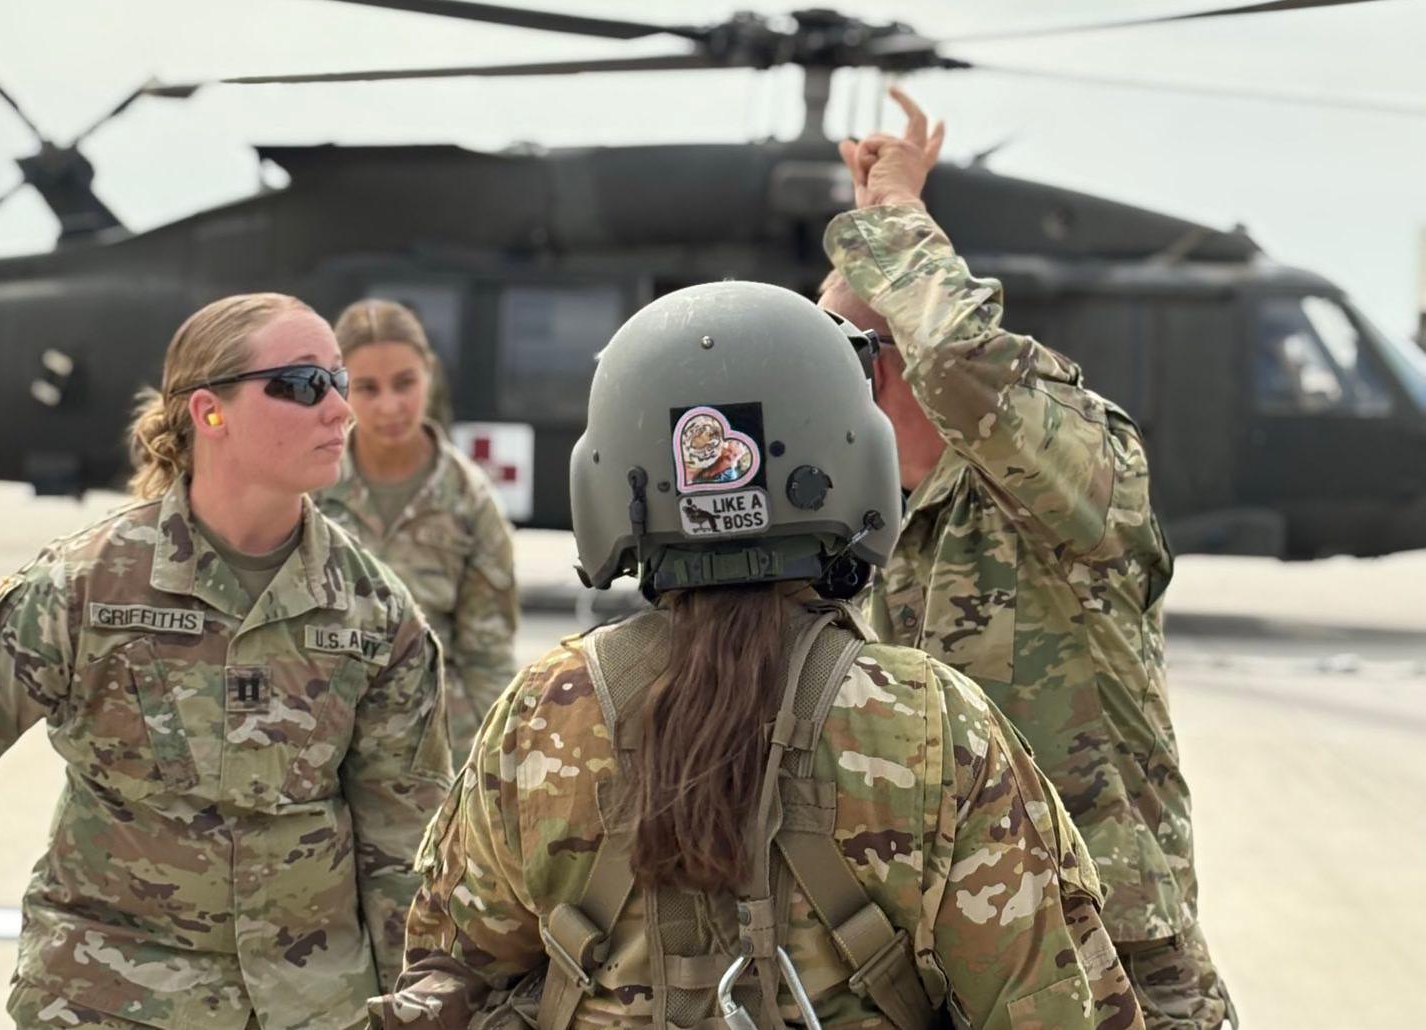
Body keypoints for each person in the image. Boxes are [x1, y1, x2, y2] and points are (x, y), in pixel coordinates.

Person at [372, 281, 1144, 1030]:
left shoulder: (544, 711)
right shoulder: (936, 727)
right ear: (852, 460)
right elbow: (1052, 1003)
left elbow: (450, 976)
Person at [0, 293, 451, 1030]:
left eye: (339, 382)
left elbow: (404, 855)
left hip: (310, 1009)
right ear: (208, 412)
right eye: (304, 383)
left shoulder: (375, 614)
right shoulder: (81, 589)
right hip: (113, 1003)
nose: (340, 410)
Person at [819, 87, 1233, 1030]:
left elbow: (965, 355)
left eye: (832, 348)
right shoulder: (860, 520)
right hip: (949, 966)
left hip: (1117, 966)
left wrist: (896, 216)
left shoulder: (1072, 477)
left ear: (893, 356)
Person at [316, 299, 517, 761]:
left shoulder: (470, 501)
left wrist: (483, 769)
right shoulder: (309, 487)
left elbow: (488, 660)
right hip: (320, 746)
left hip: (430, 750)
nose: (390, 405)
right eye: (366, 387)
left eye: (405, 382)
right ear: (340, 387)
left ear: (429, 372)